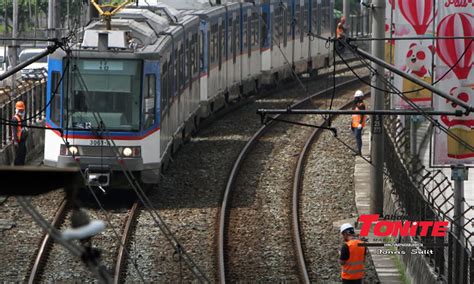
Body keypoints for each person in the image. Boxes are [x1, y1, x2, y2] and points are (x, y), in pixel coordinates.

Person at [11, 100, 28, 165]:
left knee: (23, 155)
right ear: (17, 110)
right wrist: (15, 141)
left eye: (22, 110)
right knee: (18, 157)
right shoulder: (15, 119)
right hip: (18, 141)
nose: (21, 112)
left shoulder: (22, 118)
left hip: (22, 141)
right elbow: (14, 131)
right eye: (20, 110)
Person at [351, 90, 366, 156]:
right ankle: (358, 150)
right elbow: (354, 115)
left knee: (358, 137)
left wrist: (360, 123)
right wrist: (351, 123)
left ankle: (359, 151)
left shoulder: (361, 105)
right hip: (354, 124)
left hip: (358, 125)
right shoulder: (355, 105)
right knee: (357, 137)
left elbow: (362, 114)